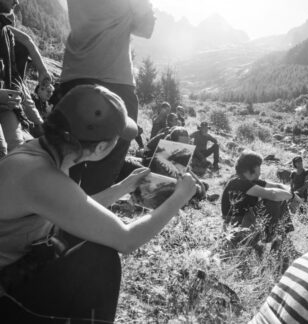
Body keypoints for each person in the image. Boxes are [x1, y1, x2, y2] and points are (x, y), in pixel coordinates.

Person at [0, 85, 197, 323]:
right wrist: (179, 197)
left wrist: (123, 187)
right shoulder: (40, 176)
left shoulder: (41, 152)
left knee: (87, 242)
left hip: (19, 266)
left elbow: (74, 209)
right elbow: (127, 239)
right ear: (102, 147)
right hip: (7, 287)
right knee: (101, 260)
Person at [57, 0, 156, 195]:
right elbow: (146, 28)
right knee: (105, 165)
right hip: (113, 79)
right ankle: (91, 217)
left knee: (68, 159)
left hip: (73, 77)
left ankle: (61, 215)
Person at [0, 0, 51, 153]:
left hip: (6, 102)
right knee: (2, 150)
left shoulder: (6, 31)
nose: (16, 1)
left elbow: (27, 41)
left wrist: (42, 69)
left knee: (16, 149)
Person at [221, 151, 300, 241]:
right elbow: (273, 195)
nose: (260, 171)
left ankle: (283, 238)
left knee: (280, 195)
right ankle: (271, 239)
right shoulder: (239, 182)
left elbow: (277, 186)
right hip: (235, 225)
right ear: (253, 168)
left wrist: (293, 194)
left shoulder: (248, 180)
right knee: (274, 199)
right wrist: (291, 197)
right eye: (259, 167)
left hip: (245, 219)